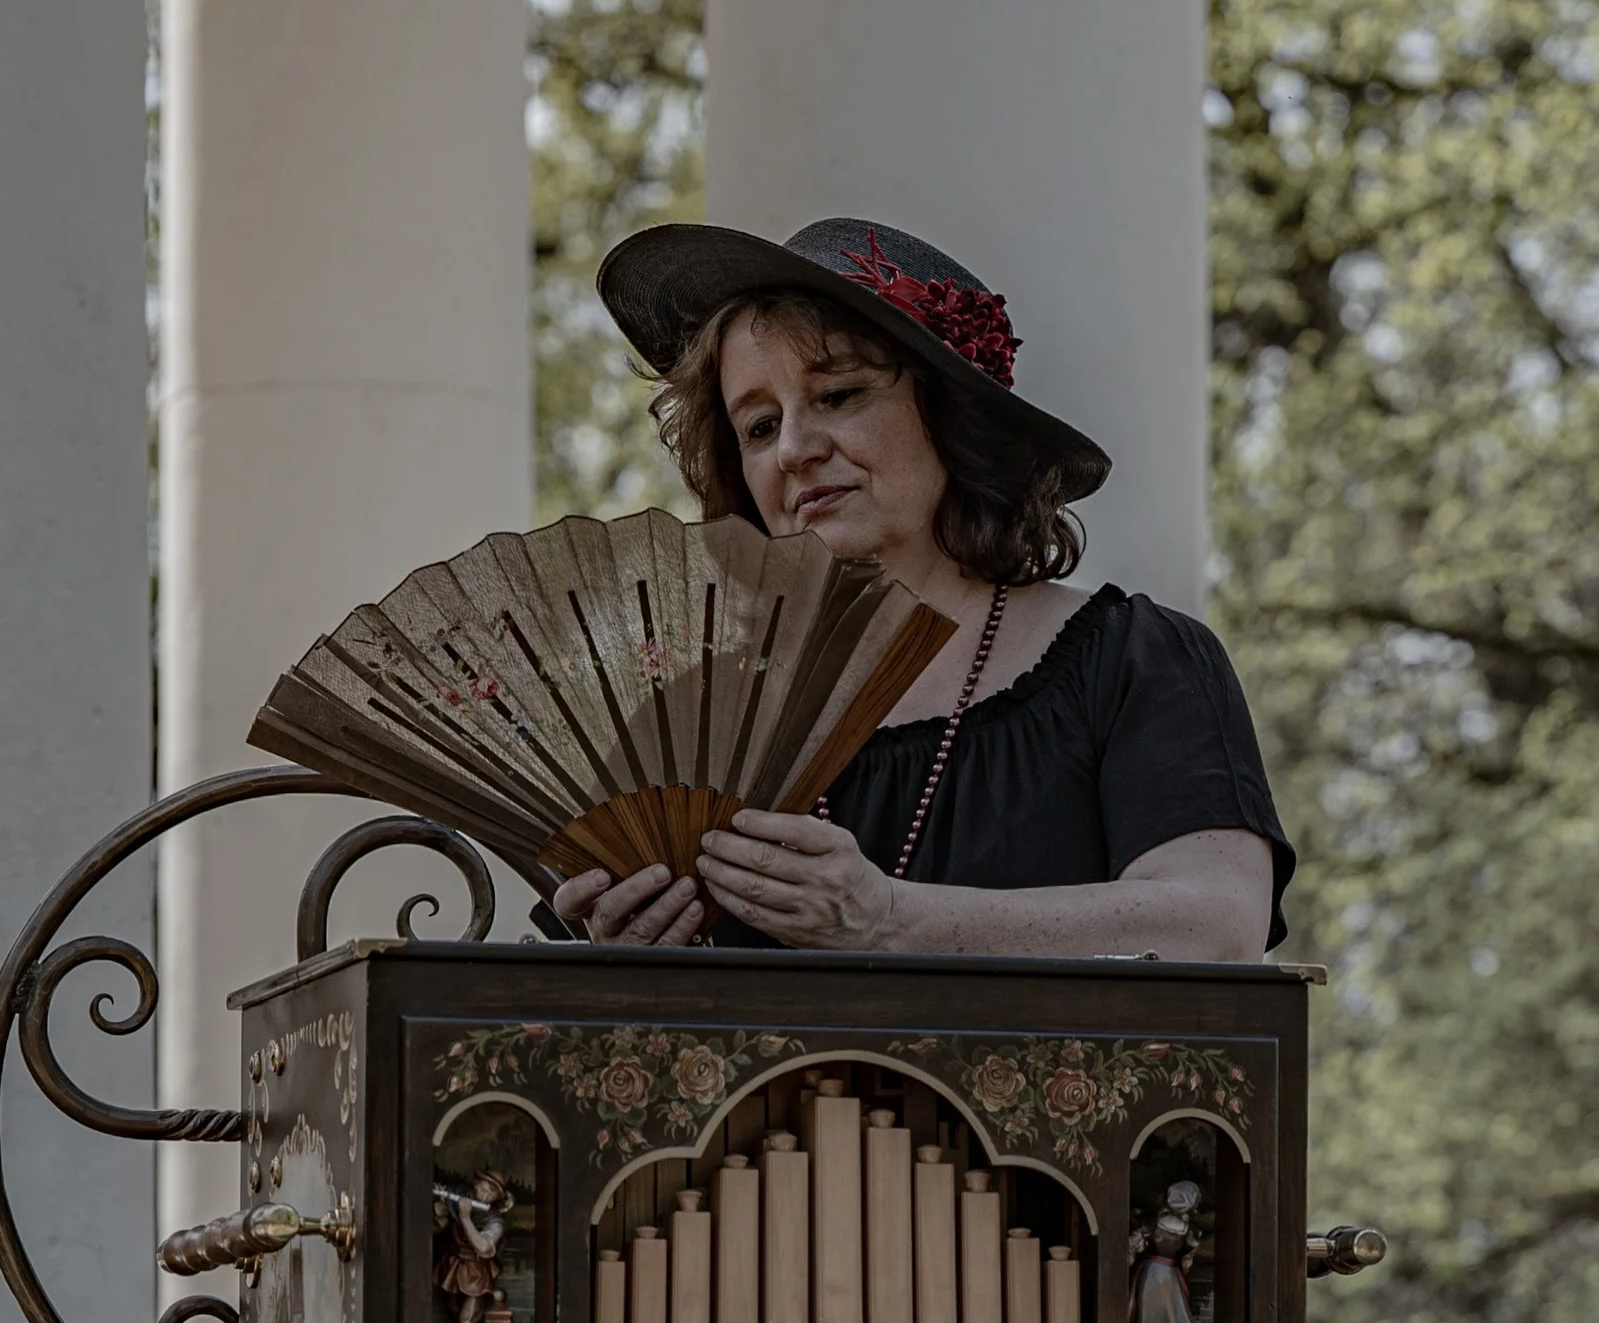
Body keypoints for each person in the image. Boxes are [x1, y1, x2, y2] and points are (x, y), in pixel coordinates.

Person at [544, 215, 1292, 961]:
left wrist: (888, 920)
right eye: (761, 426)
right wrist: (620, 957)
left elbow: (1216, 925)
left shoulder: (1136, 664)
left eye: (838, 395)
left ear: (951, 416)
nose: (797, 450)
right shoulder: (686, 725)